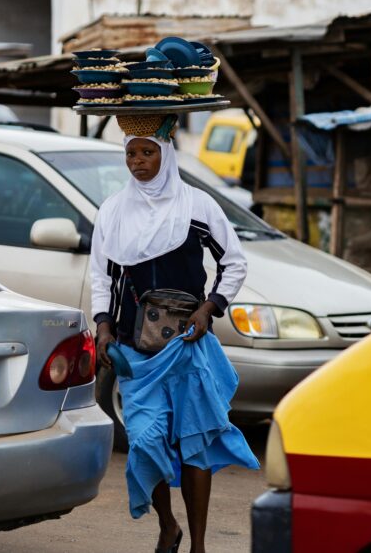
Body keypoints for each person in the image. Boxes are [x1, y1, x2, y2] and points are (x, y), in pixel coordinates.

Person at [90, 123, 259, 553]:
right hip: (135, 351)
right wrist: (104, 325)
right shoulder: (112, 211)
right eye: (131, 154)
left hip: (187, 348)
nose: (138, 163)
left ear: (165, 153)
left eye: (147, 153)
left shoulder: (198, 206)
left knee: (194, 444)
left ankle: (198, 545)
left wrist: (209, 308)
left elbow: (234, 264)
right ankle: (168, 525)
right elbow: (101, 276)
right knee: (145, 443)